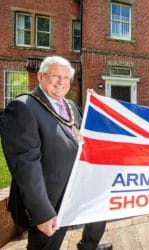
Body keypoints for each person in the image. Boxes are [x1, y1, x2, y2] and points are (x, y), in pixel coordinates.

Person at [1, 56, 112, 250]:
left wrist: (95, 108)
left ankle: (88, 246)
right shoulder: (23, 107)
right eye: (55, 76)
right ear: (41, 77)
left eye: (66, 77)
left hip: (75, 186)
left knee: (99, 211)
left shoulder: (70, 105)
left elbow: (80, 136)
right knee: (46, 246)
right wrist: (42, 212)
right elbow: (26, 166)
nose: (61, 82)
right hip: (51, 197)